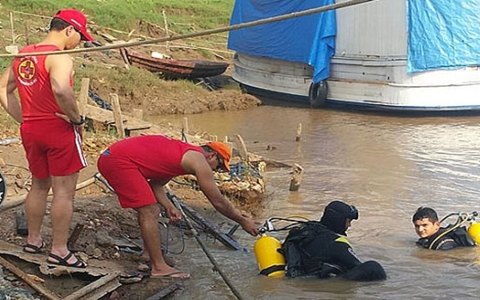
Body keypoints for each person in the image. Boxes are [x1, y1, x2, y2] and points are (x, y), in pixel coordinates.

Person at [0, 9, 94, 268]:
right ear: (69, 30)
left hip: (31, 129)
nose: (80, 43)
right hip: (57, 127)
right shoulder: (60, 56)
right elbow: (61, 89)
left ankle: (33, 240)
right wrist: (76, 119)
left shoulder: (25, 53)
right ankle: (60, 250)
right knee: (64, 191)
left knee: (38, 185)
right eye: (80, 37)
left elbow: (3, 88)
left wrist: (24, 118)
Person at [97, 135, 259, 279]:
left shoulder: (181, 155)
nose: (215, 171)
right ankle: (159, 267)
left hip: (113, 157)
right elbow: (217, 201)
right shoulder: (198, 161)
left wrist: (168, 205)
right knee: (150, 210)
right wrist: (242, 221)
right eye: (218, 167)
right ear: (211, 155)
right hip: (118, 161)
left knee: (152, 209)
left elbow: (156, 184)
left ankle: (149, 255)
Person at [279, 200, 386, 281]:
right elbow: (358, 266)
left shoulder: (302, 230)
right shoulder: (337, 244)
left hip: (296, 275)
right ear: (338, 221)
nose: (349, 225)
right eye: (348, 221)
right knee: (373, 267)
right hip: (315, 282)